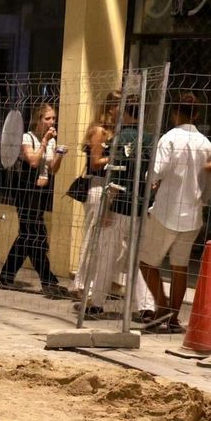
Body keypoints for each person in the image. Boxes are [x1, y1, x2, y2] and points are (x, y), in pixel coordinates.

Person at [137, 93, 211, 332]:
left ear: (174, 113)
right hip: (193, 213)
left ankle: (162, 306)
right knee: (180, 266)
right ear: (197, 114)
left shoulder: (169, 138)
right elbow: (209, 181)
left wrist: (153, 182)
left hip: (166, 211)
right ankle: (173, 318)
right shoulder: (206, 143)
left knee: (147, 262)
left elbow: (155, 172)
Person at [81, 95, 157, 319]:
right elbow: (154, 177)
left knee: (106, 255)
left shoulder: (118, 140)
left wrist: (105, 210)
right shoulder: (151, 140)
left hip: (118, 207)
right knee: (139, 259)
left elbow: (112, 178)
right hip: (141, 207)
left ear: (125, 112)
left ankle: (96, 301)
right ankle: (146, 306)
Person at [0, 103, 65, 294]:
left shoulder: (51, 141)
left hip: (42, 194)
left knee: (30, 236)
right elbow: (34, 162)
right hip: (26, 192)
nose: (52, 122)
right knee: (36, 236)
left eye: (53, 118)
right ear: (38, 119)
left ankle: (8, 276)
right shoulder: (27, 137)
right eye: (48, 118)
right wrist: (44, 141)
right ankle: (47, 279)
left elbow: (52, 168)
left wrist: (59, 154)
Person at [69, 94, 117, 300]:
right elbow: (95, 162)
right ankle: (82, 283)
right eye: (119, 106)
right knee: (93, 236)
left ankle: (99, 281)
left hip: (111, 186)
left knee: (106, 238)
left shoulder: (116, 131)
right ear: (110, 107)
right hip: (97, 186)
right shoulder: (99, 131)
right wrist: (116, 158)